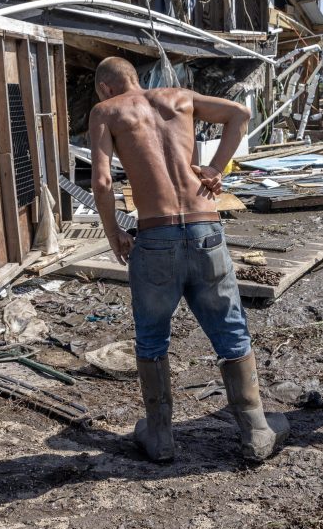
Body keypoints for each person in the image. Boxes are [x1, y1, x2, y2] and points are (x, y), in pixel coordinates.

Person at [88, 57, 288, 463]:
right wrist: (215, 167)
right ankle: (255, 431)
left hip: (155, 235)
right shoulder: (179, 98)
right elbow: (240, 113)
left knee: (151, 337)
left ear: (106, 88)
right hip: (204, 230)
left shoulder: (106, 111)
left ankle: (160, 437)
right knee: (230, 329)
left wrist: (113, 233)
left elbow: (103, 181)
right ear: (135, 78)